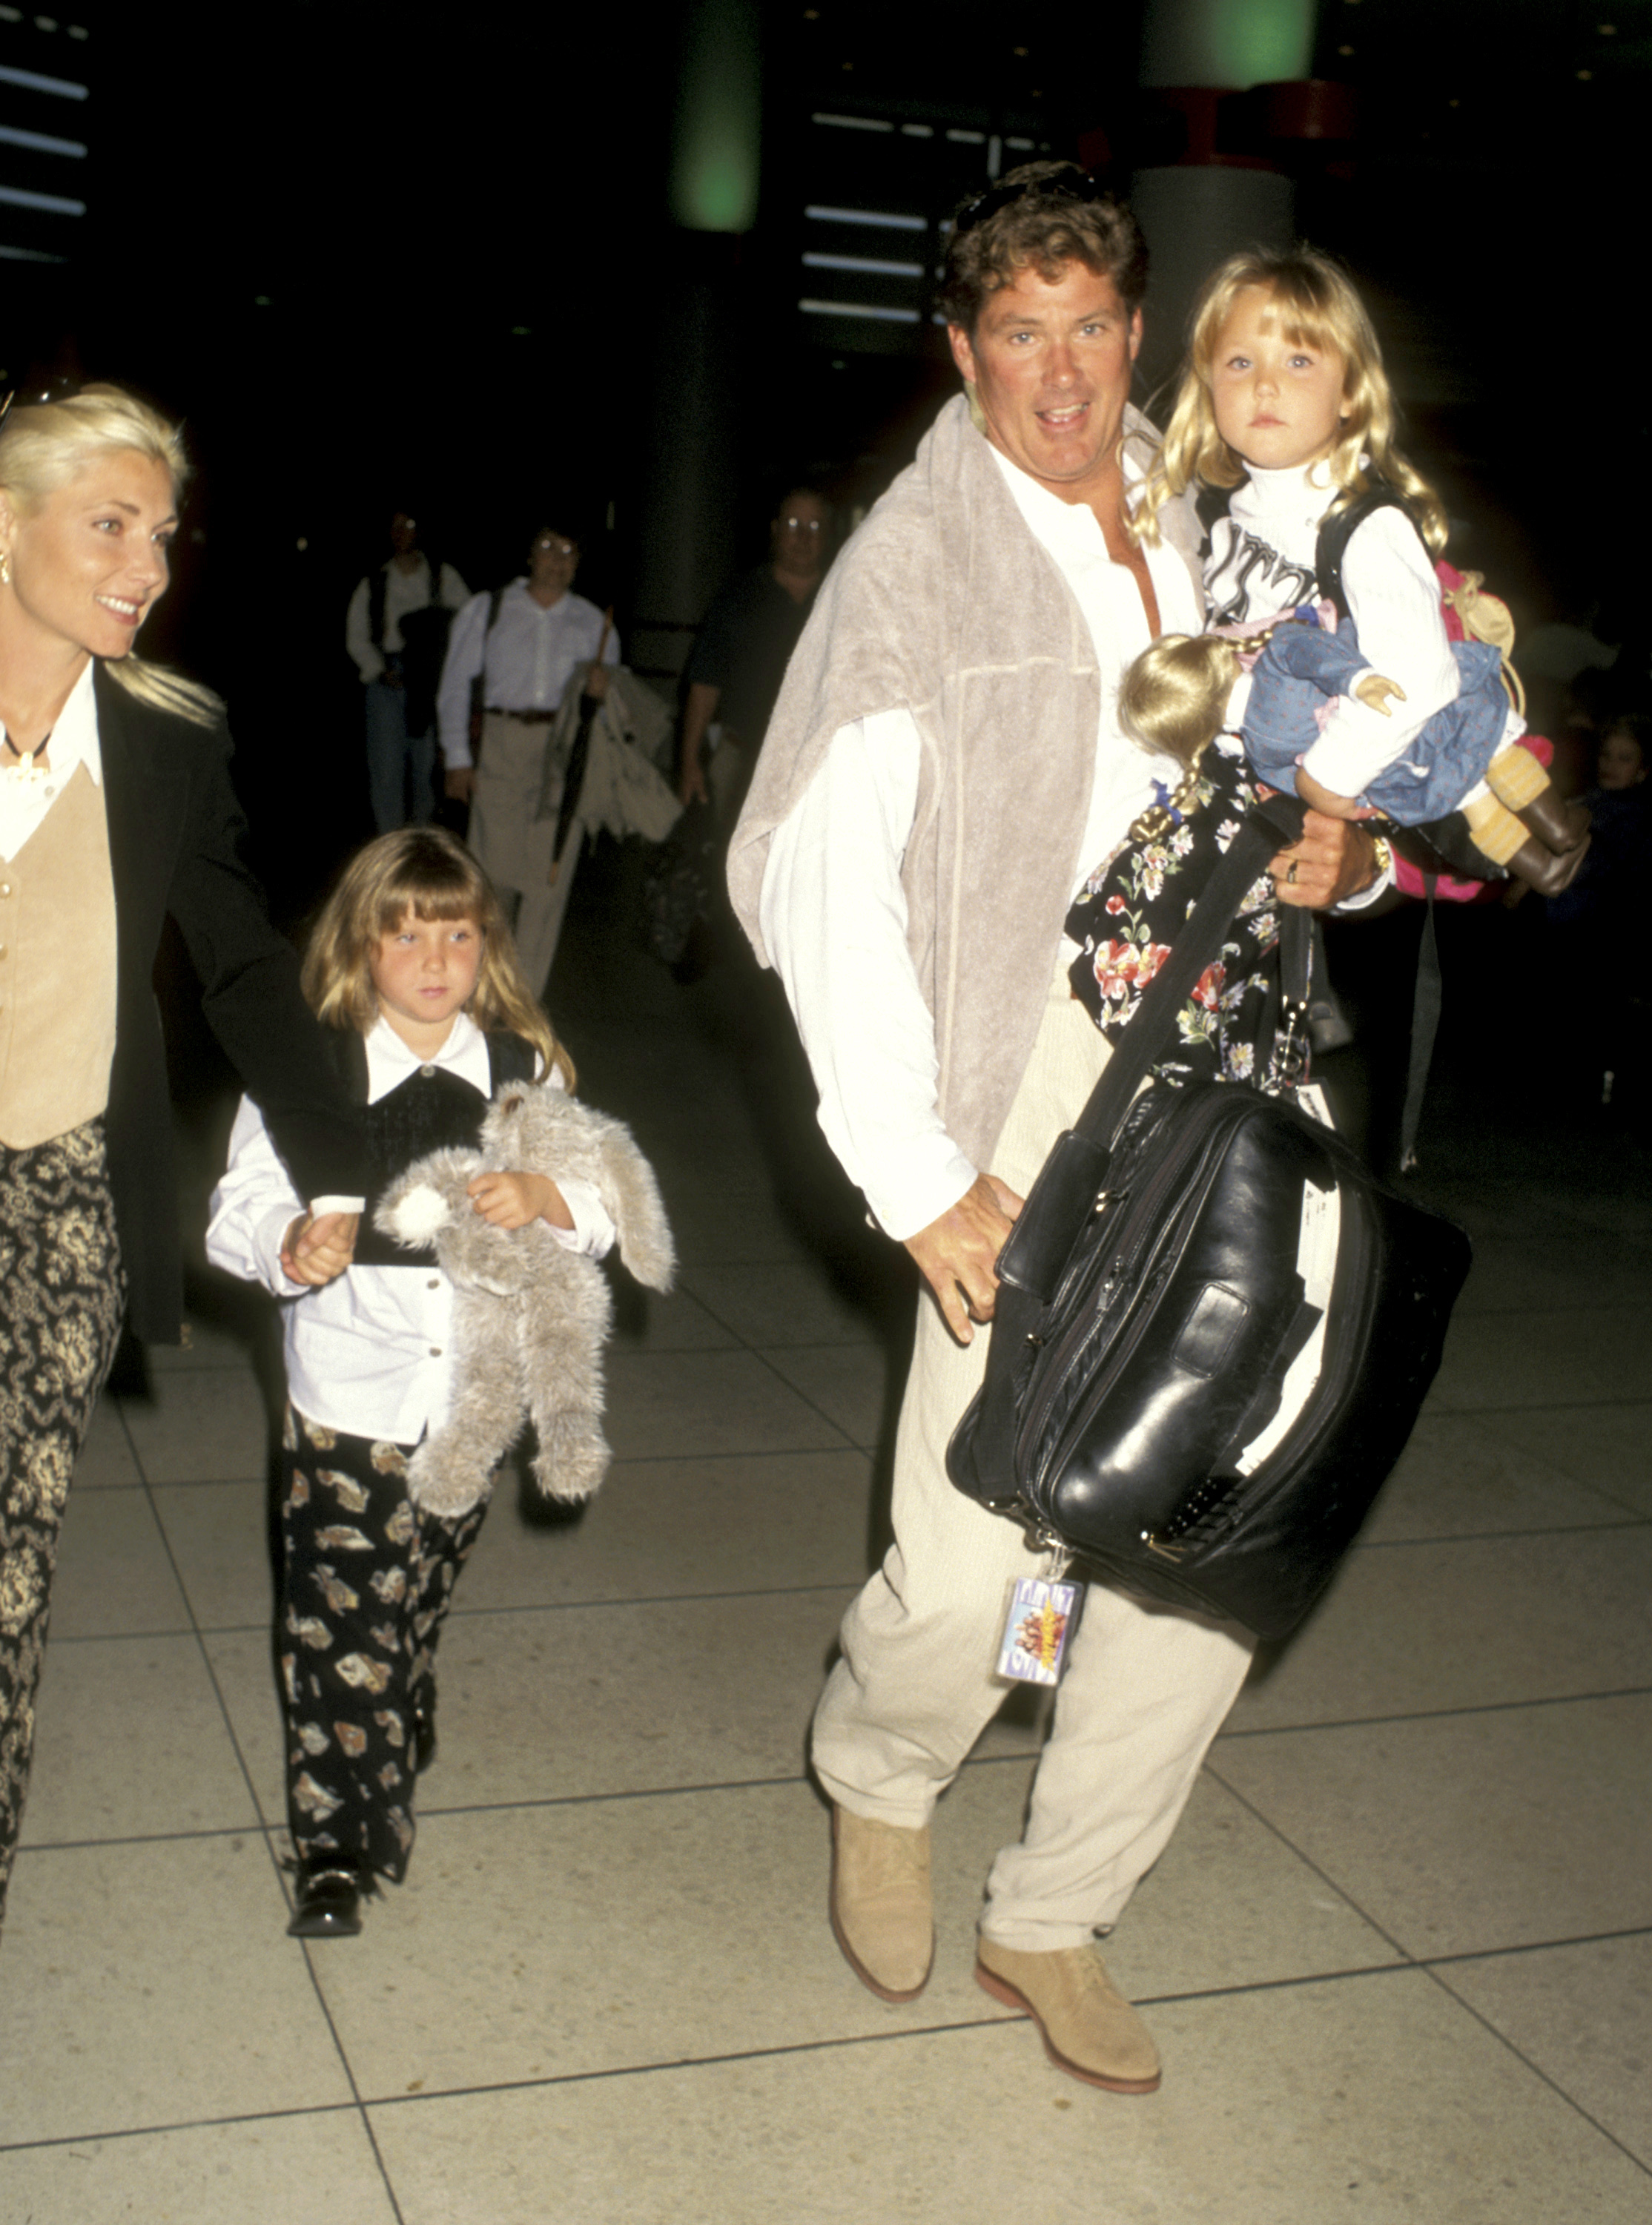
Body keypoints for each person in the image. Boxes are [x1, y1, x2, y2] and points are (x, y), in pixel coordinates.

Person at [728, 164, 1381, 2094]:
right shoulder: (916, 563)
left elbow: (1283, 782)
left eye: (1093, 323)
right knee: (969, 1527)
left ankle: (1057, 1911)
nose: (1063, 371)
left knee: (1202, 1528)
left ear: (1135, 327)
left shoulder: (1214, 515)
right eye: (1019, 332)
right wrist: (918, 1175)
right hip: (1009, 1068)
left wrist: (1333, 856)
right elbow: (824, 878)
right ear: (962, 350)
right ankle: (880, 1772)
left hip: (1228, 1065)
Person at [0, 384, 369, 1934]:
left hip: (60, 1200)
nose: (145, 565)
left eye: (159, 533)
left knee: (6, 1591)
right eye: (108, 526)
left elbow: (233, 965)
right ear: (6, 526)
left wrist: (342, 1161)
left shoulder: (163, 733)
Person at [205, 827, 616, 1937]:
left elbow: (611, 1213)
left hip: (469, 1408)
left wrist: (552, 1202)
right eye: (405, 936)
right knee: (337, 1624)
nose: (435, 960)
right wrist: (287, 1241)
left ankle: (407, 1671)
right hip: (346, 1399)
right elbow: (237, 1204)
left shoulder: (528, 1077)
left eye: (458, 934)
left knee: (416, 1590)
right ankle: (335, 1845)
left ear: (489, 947)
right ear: (360, 945)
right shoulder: (310, 1073)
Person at [1134, 247, 1589, 893]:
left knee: (1477, 796)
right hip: (1253, 826)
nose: (1265, 385)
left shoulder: (1359, 521)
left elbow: (1417, 673)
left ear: (1350, 391)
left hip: (1383, 761)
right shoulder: (1227, 525)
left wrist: (1327, 776)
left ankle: (1556, 846)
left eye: (1298, 360)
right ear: (1209, 388)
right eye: (1241, 362)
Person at [437, 524, 620, 999]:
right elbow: (456, 684)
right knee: (490, 880)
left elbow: (613, 712)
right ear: (528, 555)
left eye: (568, 550)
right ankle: (477, 993)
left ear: (579, 561)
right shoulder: (488, 609)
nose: (556, 560)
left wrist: (603, 696)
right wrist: (458, 756)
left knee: (547, 884)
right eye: (546, 548)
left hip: (564, 753)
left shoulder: (594, 624)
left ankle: (522, 1005)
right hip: (502, 745)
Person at [678, 487, 832, 817]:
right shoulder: (738, 598)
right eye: (793, 524)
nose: (803, 537)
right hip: (741, 762)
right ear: (775, 530)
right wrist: (689, 760)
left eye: (814, 527)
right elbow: (705, 683)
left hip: (821, 764)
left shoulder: (844, 596)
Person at [345, 511, 469, 833]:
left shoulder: (442, 577)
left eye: (409, 526)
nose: (402, 532)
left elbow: (469, 622)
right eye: (395, 526)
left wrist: (446, 668)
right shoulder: (374, 582)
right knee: (386, 771)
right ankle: (391, 848)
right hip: (387, 680)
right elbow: (355, 636)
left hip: (429, 682)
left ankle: (424, 845)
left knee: (427, 770)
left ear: (421, 531)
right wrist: (378, 669)